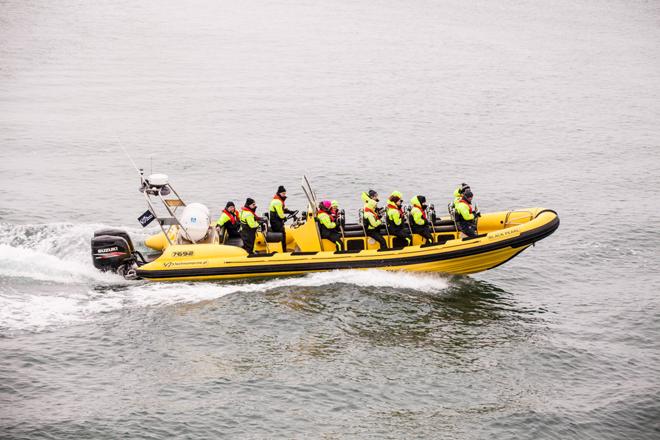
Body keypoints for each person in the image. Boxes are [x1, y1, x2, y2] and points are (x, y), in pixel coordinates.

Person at [269, 185, 293, 251]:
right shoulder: (278, 202)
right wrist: (284, 218)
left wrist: (289, 212)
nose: (284, 195)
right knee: (283, 234)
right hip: (276, 222)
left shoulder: (277, 200)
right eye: (283, 193)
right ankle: (283, 250)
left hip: (275, 221)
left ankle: (283, 249)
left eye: (285, 193)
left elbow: (281, 210)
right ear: (279, 193)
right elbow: (280, 213)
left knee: (283, 232)